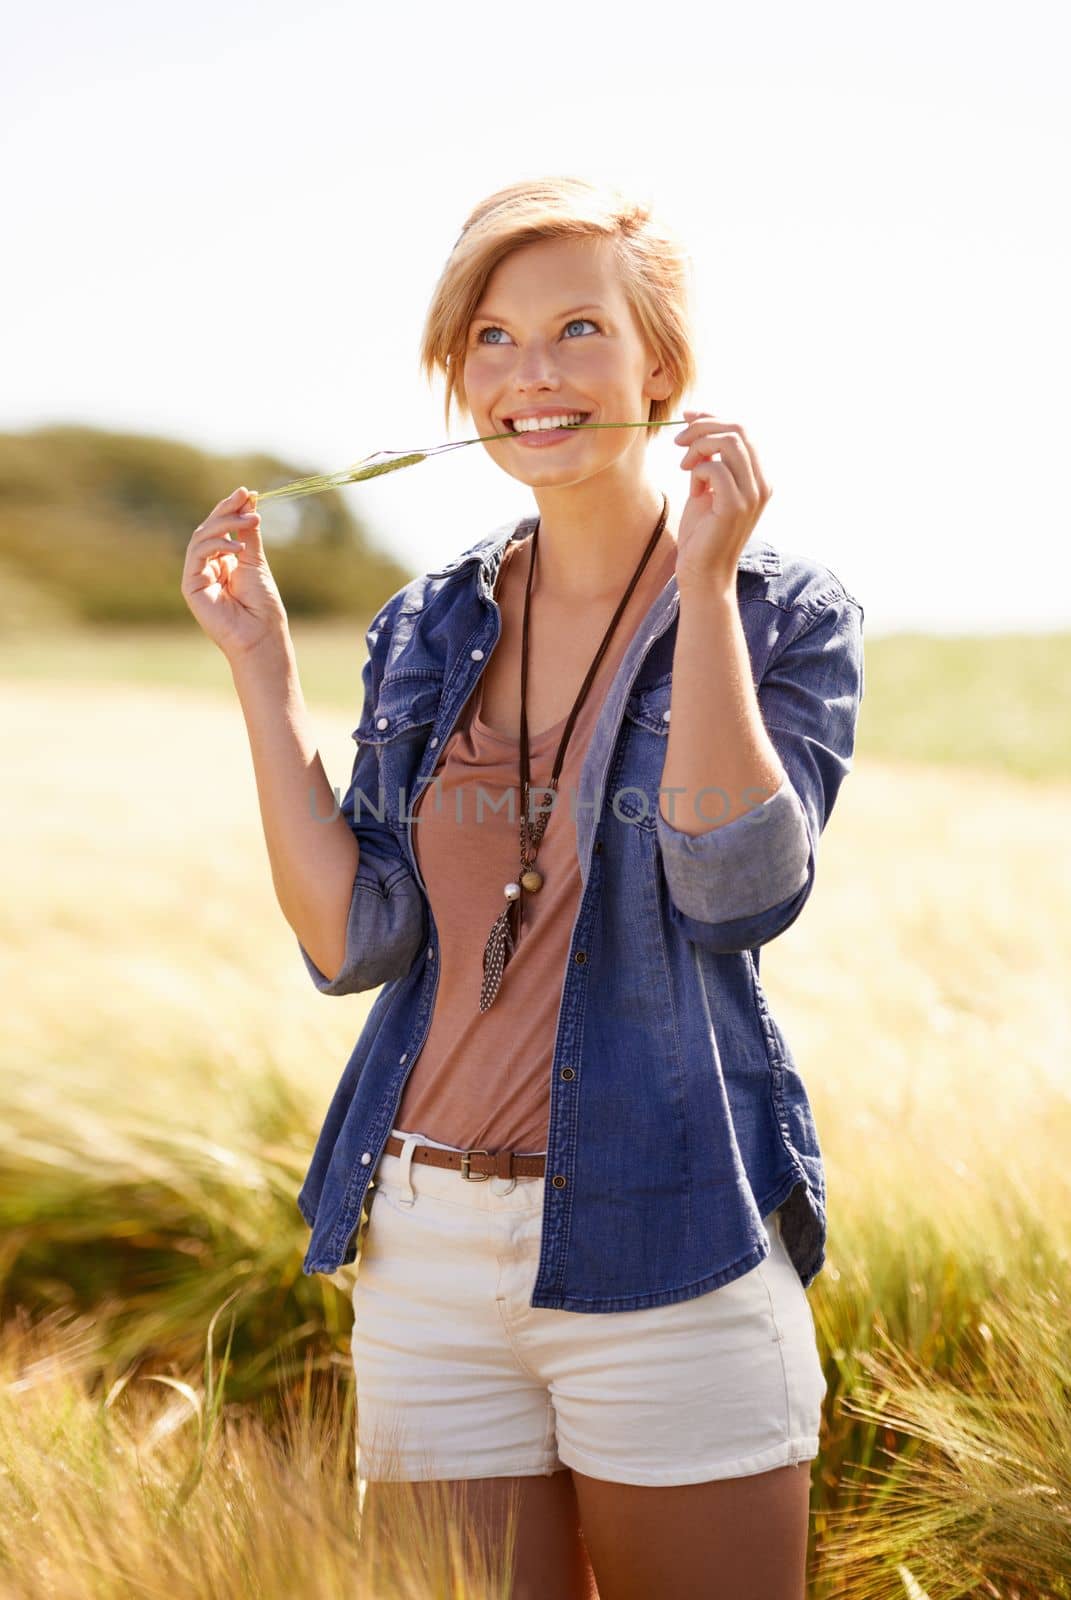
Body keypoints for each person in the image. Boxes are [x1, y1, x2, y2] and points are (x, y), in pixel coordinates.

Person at [181, 175, 865, 1600]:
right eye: (490, 339)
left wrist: (711, 581)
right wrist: (261, 670)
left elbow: (736, 891)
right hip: (422, 1249)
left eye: (576, 331)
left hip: (667, 1229)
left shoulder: (782, 610)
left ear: (657, 368)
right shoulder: (430, 623)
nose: (530, 375)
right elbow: (352, 935)